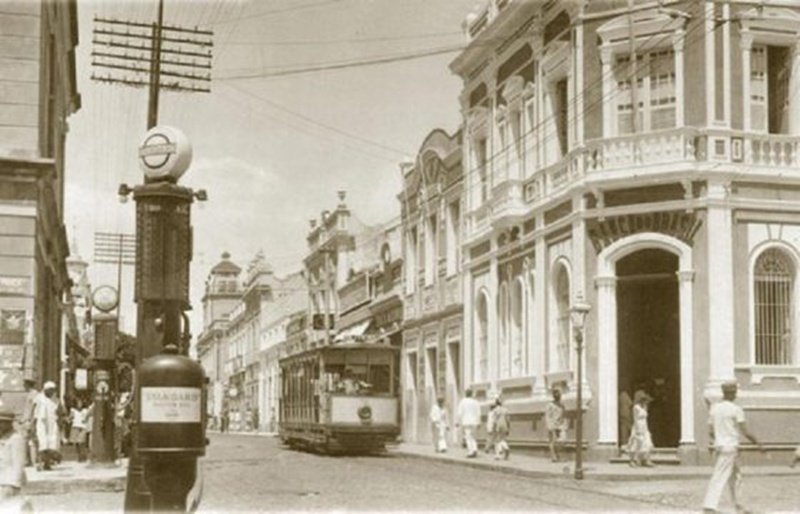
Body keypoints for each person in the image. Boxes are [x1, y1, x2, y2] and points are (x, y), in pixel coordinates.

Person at [702, 380, 765, 514]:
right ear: (732, 393)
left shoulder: (715, 409)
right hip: (730, 446)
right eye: (735, 392)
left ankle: (739, 506)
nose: (735, 395)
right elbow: (745, 431)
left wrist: (718, 438)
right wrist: (758, 443)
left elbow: (711, 432)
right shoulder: (736, 409)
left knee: (736, 477)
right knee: (720, 476)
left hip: (722, 446)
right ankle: (709, 506)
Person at [0, 409, 29, 510]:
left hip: (9, 482)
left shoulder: (16, 438)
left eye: (2, 422)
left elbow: (19, 464)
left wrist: (15, 484)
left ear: (9, 423)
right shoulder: (3, 438)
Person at [34, 382, 60, 471]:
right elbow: (34, 411)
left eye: (53, 390)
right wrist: (32, 423)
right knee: (42, 443)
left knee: (51, 444)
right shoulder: (39, 398)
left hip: (52, 424)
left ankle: (47, 464)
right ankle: (39, 464)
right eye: (50, 390)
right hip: (41, 423)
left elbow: (59, 411)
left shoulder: (56, 400)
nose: (52, 392)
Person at [628, 390, 654, 467]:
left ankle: (645, 459)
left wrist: (646, 428)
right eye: (642, 399)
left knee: (646, 443)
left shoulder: (644, 407)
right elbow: (635, 418)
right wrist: (637, 429)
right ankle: (633, 460)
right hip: (638, 425)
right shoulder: (636, 407)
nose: (644, 401)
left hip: (644, 425)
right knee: (637, 443)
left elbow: (645, 417)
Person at [455, 390, 480, 458]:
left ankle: (471, 451)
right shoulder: (475, 402)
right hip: (474, 421)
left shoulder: (463, 402)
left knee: (468, 437)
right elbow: (478, 413)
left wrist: (457, 421)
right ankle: (475, 449)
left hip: (466, 421)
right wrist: (478, 422)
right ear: (471, 394)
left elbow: (460, 413)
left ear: (466, 394)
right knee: (473, 436)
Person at [545, 388, 568, 462]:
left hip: (561, 425)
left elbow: (564, 415)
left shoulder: (562, 406)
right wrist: (550, 426)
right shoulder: (550, 405)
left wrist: (565, 425)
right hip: (552, 425)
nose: (558, 395)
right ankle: (554, 457)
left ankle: (557, 455)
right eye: (556, 394)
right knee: (553, 441)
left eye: (559, 394)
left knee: (563, 440)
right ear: (553, 395)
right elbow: (548, 416)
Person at [21, 380, 38, 468]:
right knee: (27, 440)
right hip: (27, 419)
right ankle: (29, 460)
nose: (23, 387)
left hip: (30, 420)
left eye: (25, 385)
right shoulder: (30, 394)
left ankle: (31, 460)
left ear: (28, 385)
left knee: (29, 440)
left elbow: (33, 408)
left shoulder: (34, 394)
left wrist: (30, 420)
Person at [618, 388, 633, 454]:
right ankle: (629, 444)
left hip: (621, 414)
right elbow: (630, 403)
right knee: (629, 429)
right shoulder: (625, 395)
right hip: (627, 414)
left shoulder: (619, 396)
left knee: (623, 429)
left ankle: (624, 444)